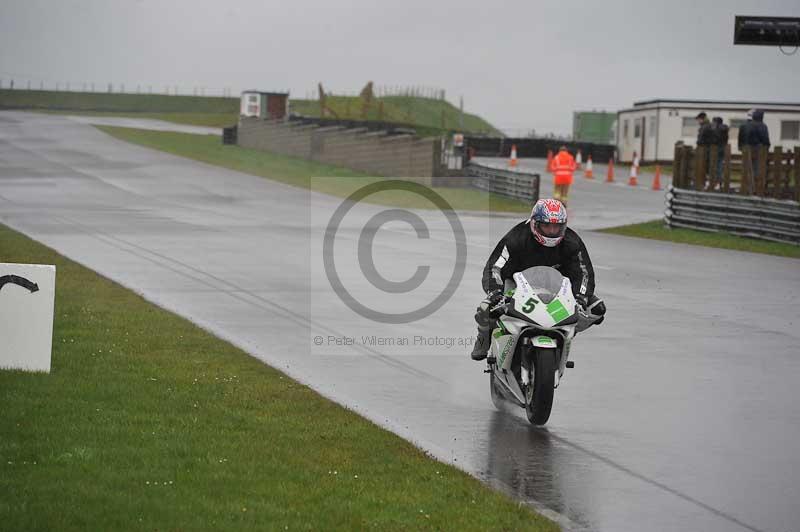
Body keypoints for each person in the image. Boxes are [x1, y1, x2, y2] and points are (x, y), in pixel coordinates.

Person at [469, 198, 606, 361]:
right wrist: (495, 291)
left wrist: (580, 298)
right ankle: (484, 340)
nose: (552, 231)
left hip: (557, 285)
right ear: (535, 223)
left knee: (597, 309)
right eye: (547, 226)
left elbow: (584, 273)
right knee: (487, 308)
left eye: (557, 226)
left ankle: (564, 332)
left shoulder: (572, 242)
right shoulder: (517, 238)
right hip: (517, 284)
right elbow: (495, 266)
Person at [711, 117, 729, 188]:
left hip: (716, 149)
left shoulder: (716, 129)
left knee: (715, 166)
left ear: (716, 122)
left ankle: (716, 182)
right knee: (720, 166)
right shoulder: (725, 129)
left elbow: (714, 139)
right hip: (723, 149)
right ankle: (720, 182)